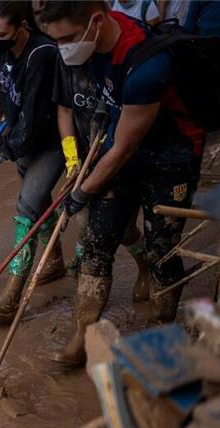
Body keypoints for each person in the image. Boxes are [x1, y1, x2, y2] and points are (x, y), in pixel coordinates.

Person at [41, 1, 206, 364]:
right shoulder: (93, 44)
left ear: (96, 22)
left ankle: (159, 327)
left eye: (67, 38)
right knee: (97, 240)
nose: (62, 48)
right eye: (56, 40)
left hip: (171, 154)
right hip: (125, 139)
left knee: (163, 245)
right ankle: (83, 333)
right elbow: (112, 113)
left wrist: (82, 192)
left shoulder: (146, 63)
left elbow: (124, 148)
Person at [0, 0, 65, 325]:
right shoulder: (6, 51)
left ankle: (12, 294)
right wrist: (5, 136)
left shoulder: (43, 55)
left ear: (22, 26)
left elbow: (35, 119)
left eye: (0, 34)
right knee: (38, 201)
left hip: (52, 143)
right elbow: (9, 101)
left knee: (26, 211)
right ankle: (54, 260)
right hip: (22, 141)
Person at [53, 58, 150, 302]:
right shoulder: (66, 59)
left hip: (120, 157)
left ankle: (146, 265)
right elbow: (64, 109)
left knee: (125, 231)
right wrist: (72, 160)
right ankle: (87, 290)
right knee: (84, 225)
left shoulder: (118, 63)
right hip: (84, 157)